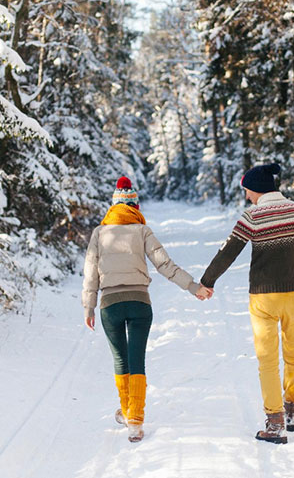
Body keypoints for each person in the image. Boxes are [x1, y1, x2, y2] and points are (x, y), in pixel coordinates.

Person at [200, 163, 294, 444]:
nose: (246, 197)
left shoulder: (253, 216)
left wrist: (207, 281)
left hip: (263, 298)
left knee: (267, 361)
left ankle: (275, 423)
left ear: (256, 189)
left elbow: (228, 252)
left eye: (247, 191)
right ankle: (292, 413)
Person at [82, 176, 213, 443]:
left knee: (121, 360)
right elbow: (165, 265)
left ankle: (128, 411)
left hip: (110, 304)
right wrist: (193, 287)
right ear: (135, 207)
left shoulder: (99, 233)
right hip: (140, 302)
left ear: (113, 206)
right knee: (137, 359)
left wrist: (89, 307)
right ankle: (135, 420)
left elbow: (90, 274)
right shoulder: (142, 231)